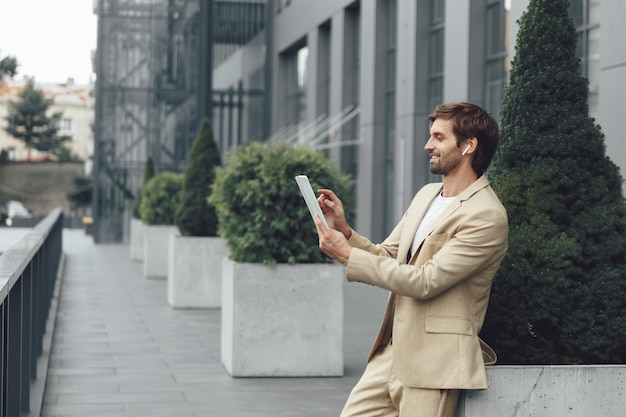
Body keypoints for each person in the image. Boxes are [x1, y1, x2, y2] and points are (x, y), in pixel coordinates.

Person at [314, 102, 508, 417]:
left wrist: (348, 256)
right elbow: (390, 255)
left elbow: (426, 281)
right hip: (391, 354)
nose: (427, 145)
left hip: (434, 363)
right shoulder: (427, 195)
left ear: (469, 145)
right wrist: (345, 232)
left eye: (439, 137)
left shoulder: (486, 215)